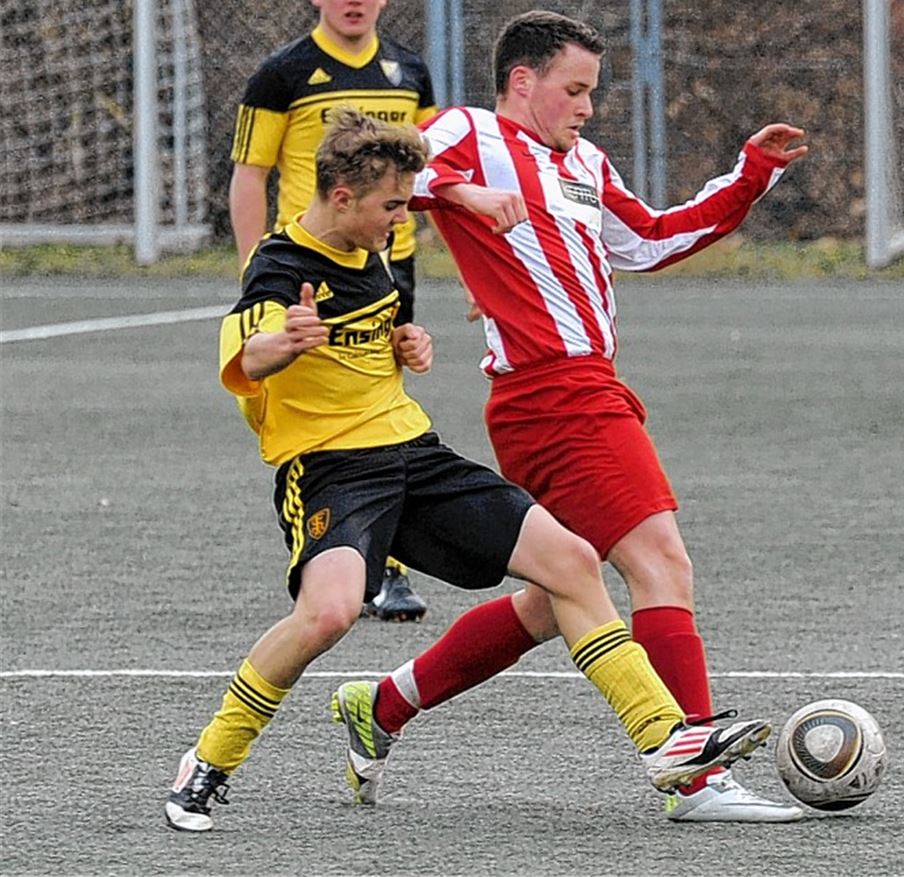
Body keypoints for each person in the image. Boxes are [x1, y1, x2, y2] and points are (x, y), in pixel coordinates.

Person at [164, 106, 775, 833]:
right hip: (331, 471)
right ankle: (208, 761)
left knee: (572, 561)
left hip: (414, 454)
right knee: (328, 613)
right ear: (340, 198)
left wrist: (404, 343)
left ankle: (665, 742)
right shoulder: (280, 265)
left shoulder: (375, 252)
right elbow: (245, 352)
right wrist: (284, 342)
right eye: (393, 207)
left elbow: (367, 336)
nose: (404, 221)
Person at [335, 10, 810, 823]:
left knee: (558, 592)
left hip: (584, 387)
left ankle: (383, 702)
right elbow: (374, 168)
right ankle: (695, 774)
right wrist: (459, 190)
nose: (588, 106)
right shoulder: (466, 130)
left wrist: (750, 175)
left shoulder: (585, 162)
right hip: (553, 396)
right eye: (575, 89)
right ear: (524, 82)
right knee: (662, 560)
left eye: (592, 90)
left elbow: (651, 239)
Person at [227, 0, 432, 621]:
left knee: (388, 398)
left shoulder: (409, 72)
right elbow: (249, 175)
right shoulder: (281, 74)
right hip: (306, 272)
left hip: (388, 262)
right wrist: (257, 264)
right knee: (305, 400)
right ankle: (328, 537)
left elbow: (429, 176)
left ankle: (387, 560)